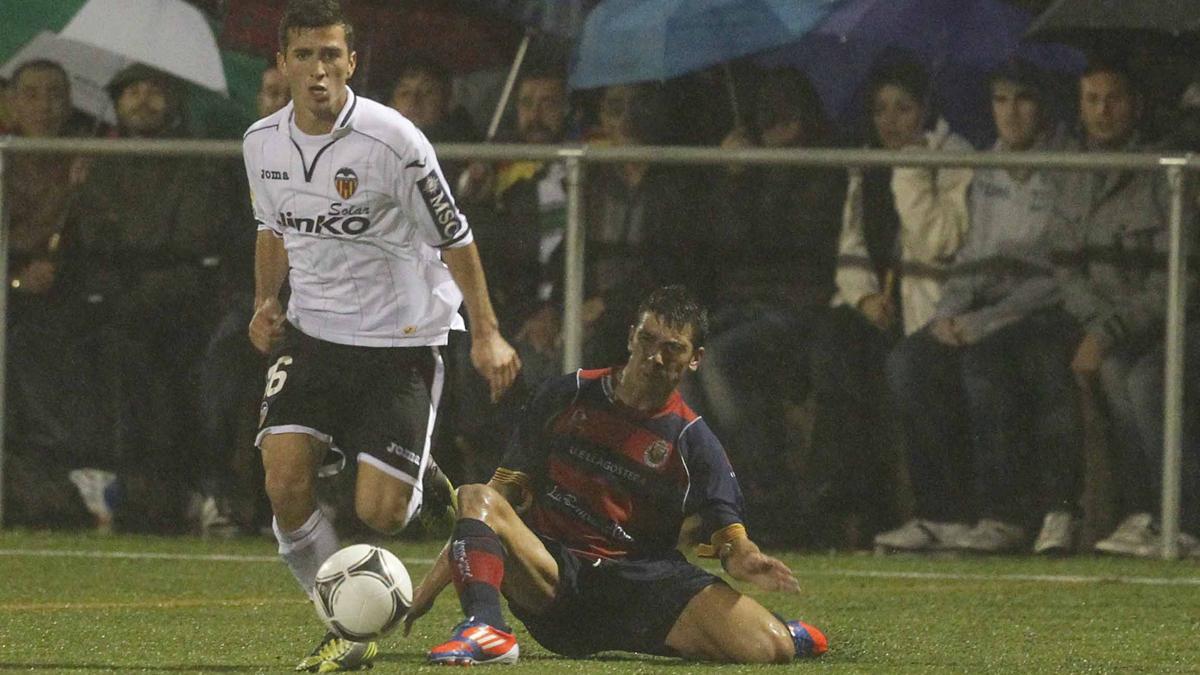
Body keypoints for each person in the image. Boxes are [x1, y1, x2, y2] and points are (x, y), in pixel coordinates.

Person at [241, 1, 521, 670]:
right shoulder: (261, 142)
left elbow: (456, 237)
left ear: (352, 62)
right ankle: (346, 625)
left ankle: (419, 475)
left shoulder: (394, 141)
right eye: (304, 55)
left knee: (384, 513)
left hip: (401, 338)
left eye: (331, 55)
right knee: (283, 484)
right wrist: (263, 300)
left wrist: (485, 332)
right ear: (283, 63)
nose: (317, 70)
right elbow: (272, 229)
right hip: (313, 335)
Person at [404, 286, 828, 665]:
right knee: (475, 495)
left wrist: (747, 559)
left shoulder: (693, 443)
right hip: (553, 575)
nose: (654, 356)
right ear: (630, 337)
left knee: (772, 649)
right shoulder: (565, 395)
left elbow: (729, 539)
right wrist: (429, 587)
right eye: (646, 339)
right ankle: (486, 628)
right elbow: (490, 507)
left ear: (696, 359)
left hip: (640, 583)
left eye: (673, 348)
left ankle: (775, 628)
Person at [876, 60, 1083, 554]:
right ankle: (940, 515)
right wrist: (948, 312)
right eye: (1000, 100)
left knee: (984, 365)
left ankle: (1007, 515)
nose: (1010, 113)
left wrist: (983, 322)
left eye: (1022, 99)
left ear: (1044, 105)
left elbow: (1060, 271)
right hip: (983, 309)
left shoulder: (1070, 165)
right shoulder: (987, 166)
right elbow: (973, 254)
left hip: (1043, 310)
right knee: (910, 361)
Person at [805, 53, 973, 548]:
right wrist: (863, 300)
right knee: (835, 343)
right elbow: (851, 245)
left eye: (903, 108)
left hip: (933, 309)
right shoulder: (867, 162)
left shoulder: (954, 156)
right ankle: (844, 498)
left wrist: (910, 172)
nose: (891, 122)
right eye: (881, 110)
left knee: (902, 367)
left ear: (925, 109)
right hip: (882, 305)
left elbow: (941, 240)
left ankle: (893, 507)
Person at [690, 69, 847, 546]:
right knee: (684, 358)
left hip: (795, 309)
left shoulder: (822, 171)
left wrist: (766, 175)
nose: (777, 131)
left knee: (719, 361)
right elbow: (720, 247)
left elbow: (798, 245)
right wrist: (734, 180)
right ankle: (719, 495)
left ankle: (767, 493)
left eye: (787, 120)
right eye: (768, 121)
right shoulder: (746, 172)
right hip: (741, 306)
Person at [1051, 59, 1200, 558]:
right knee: (1117, 376)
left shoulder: (1166, 171)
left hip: (1173, 322)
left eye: (1112, 98)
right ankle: (1144, 512)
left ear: (1135, 104)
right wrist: (1100, 328)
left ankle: (1183, 518)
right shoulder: (1073, 171)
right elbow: (1066, 266)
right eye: (1091, 99)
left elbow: (1175, 279)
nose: (1102, 110)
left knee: (1147, 381)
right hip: (1115, 328)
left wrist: (1108, 331)